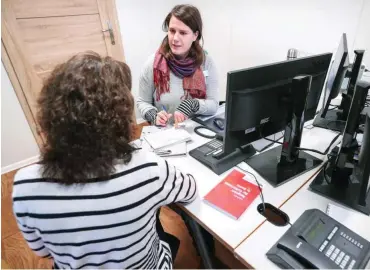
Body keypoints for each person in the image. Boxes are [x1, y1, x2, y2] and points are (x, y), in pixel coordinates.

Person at [12, 52, 198, 269]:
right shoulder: (150, 169)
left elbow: (42, 251)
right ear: (121, 117)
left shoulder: (25, 186)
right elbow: (190, 189)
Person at [137, 4, 219, 126]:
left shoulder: (206, 62)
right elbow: (142, 101)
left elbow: (213, 104)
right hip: (166, 133)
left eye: (183, 32)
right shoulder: (153, 64)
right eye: (172, 31)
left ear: (195, 35)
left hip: (196, 132)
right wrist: (153, 116)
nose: (175, 38)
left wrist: (193, 104)